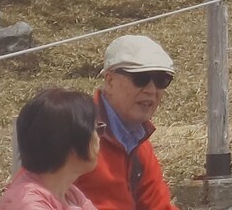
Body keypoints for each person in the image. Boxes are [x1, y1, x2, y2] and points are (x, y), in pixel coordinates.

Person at [76, 36, 182, 210]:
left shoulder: (139, 141)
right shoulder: (74, 131)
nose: (151, 90)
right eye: (140, 78)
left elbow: (158, 205)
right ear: (110, 81)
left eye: (162, 80)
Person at [0, 89, 100, 210]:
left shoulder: (70, 194)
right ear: (71, 145)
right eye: (95, 130)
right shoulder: (28, 204)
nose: (98, 138)